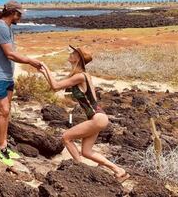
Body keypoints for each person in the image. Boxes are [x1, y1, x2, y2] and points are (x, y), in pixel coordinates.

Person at [38, 45, 130, 182]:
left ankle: (80, 169)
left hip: (97, 118)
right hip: (98, 117)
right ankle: (119, 171)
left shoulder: (80, 76)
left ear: (78, 58)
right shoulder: (82, 76)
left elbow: (55, 86)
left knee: (66, 137)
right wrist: (44, 73)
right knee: (87, 151)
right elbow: (56, 88)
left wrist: (45, 67)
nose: (71, 54)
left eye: (74, 53)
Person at [0, 0, 42, 166]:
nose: (21, 17)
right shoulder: (1, 27)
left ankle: (4, 146)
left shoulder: (7, 27)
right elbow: (10, 54)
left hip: (6, 76)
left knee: (6, 112)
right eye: (20, 14)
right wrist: (30, 61)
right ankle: (0, 149)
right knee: (4, 110)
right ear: (13, 13)